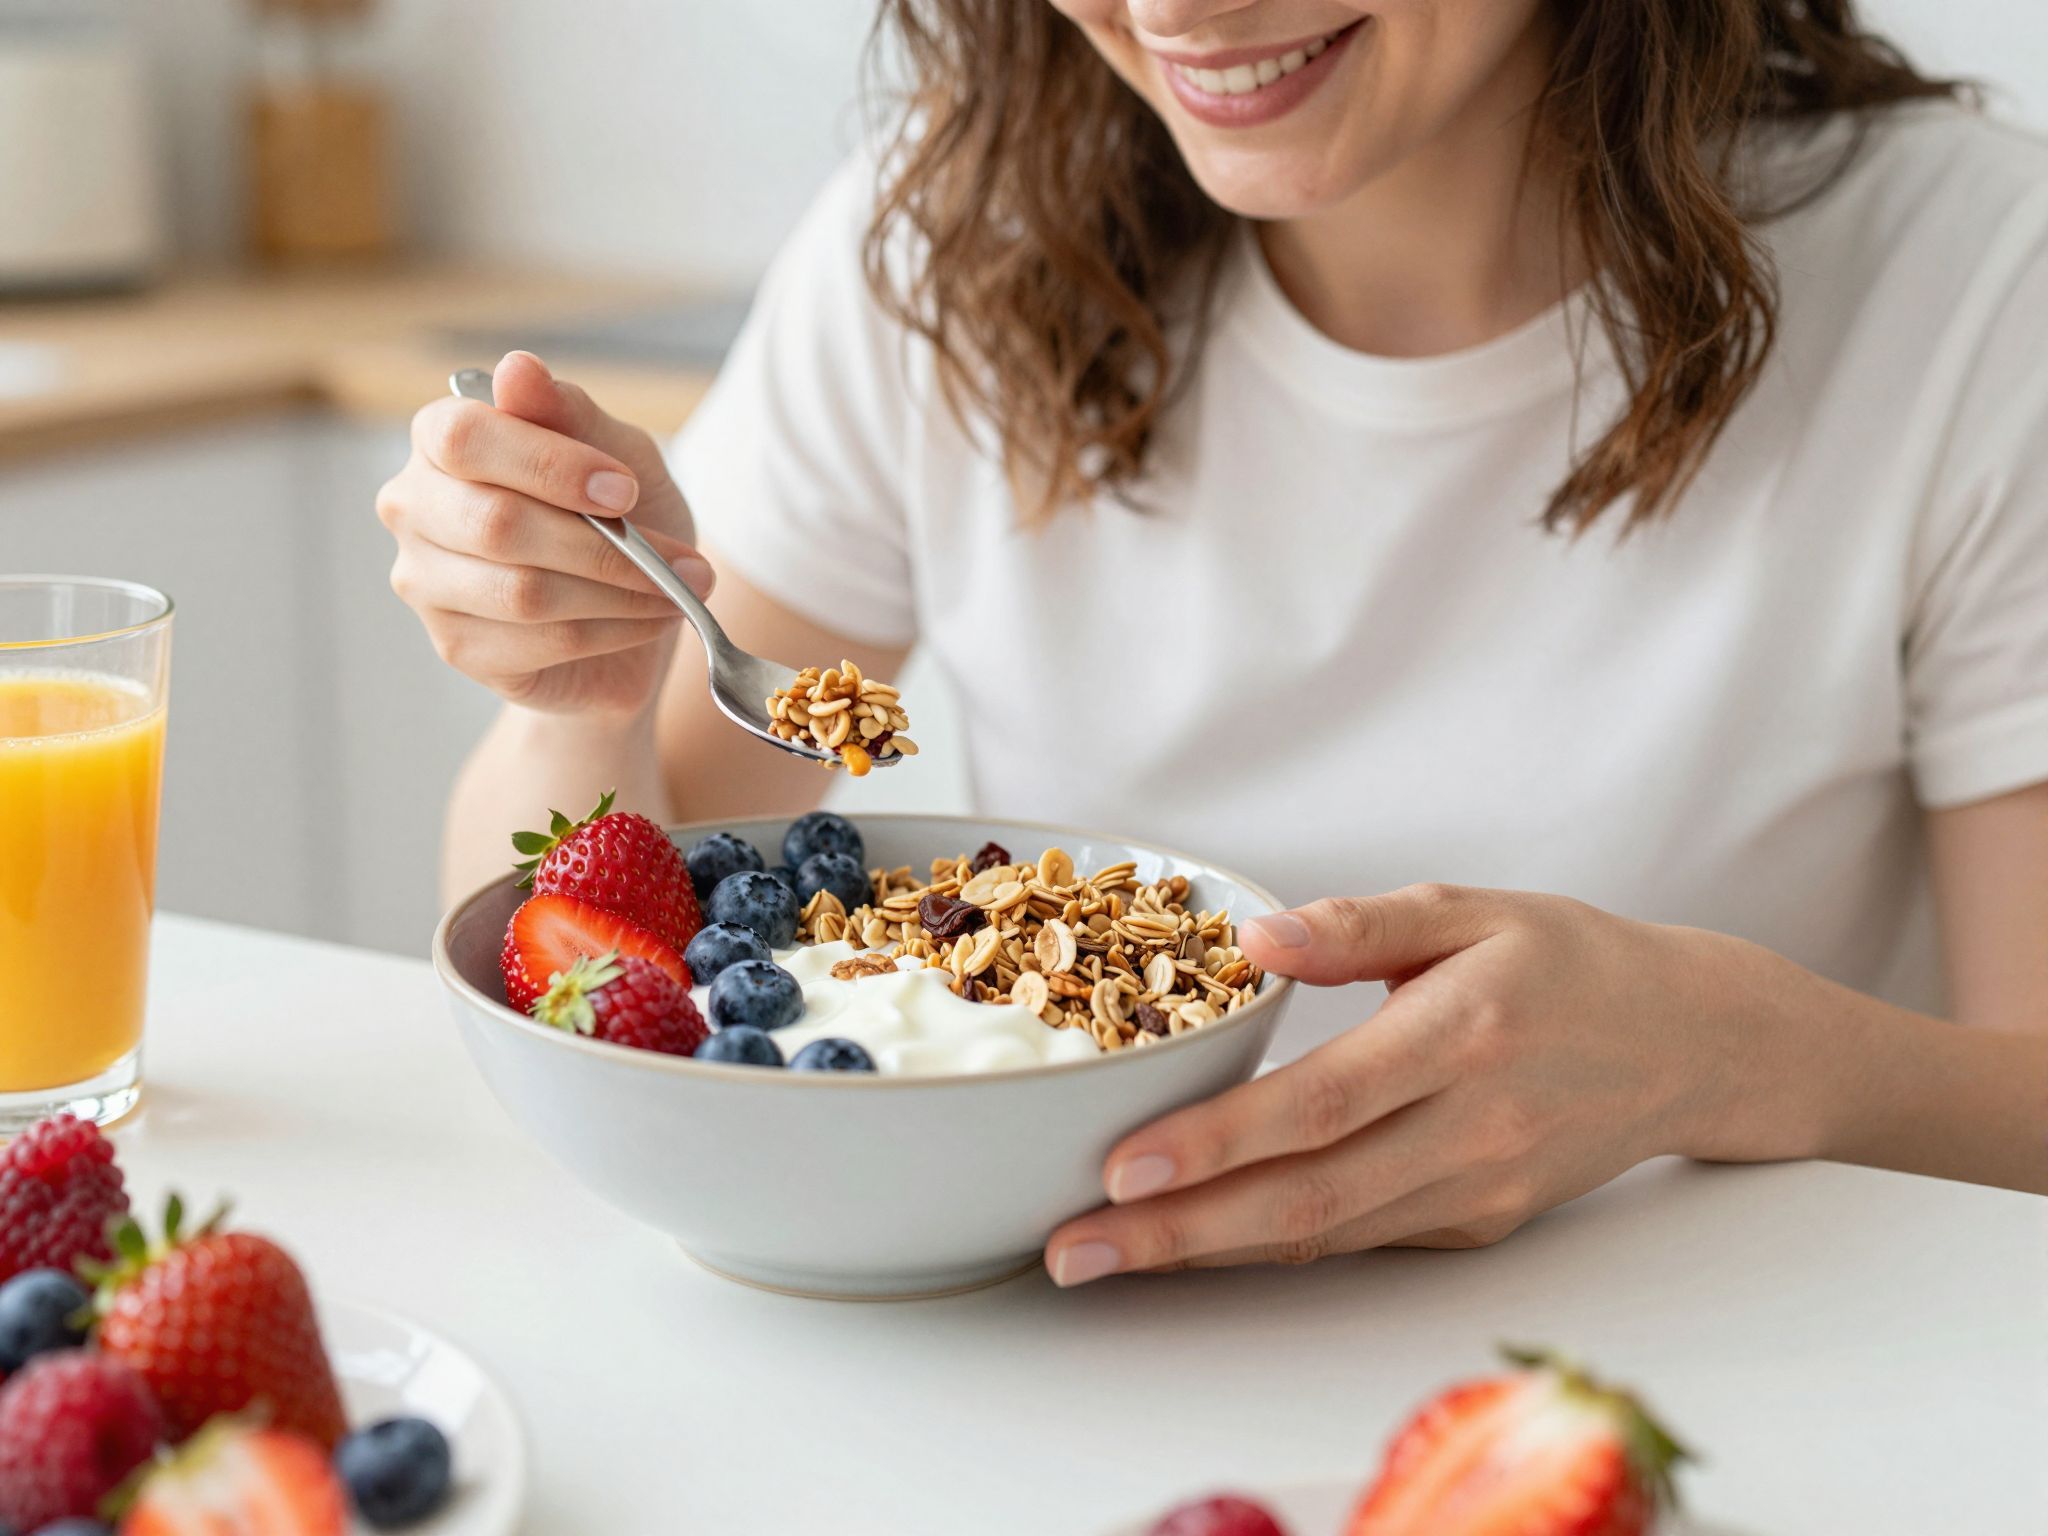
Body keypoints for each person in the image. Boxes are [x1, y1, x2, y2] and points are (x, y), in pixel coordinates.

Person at [377, 0, 2048, 1286]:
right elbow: (560, 931)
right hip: (1069, 1364)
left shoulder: (1970, 283)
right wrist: (582, 701)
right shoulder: (952, 246)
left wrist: (1730, 1053)